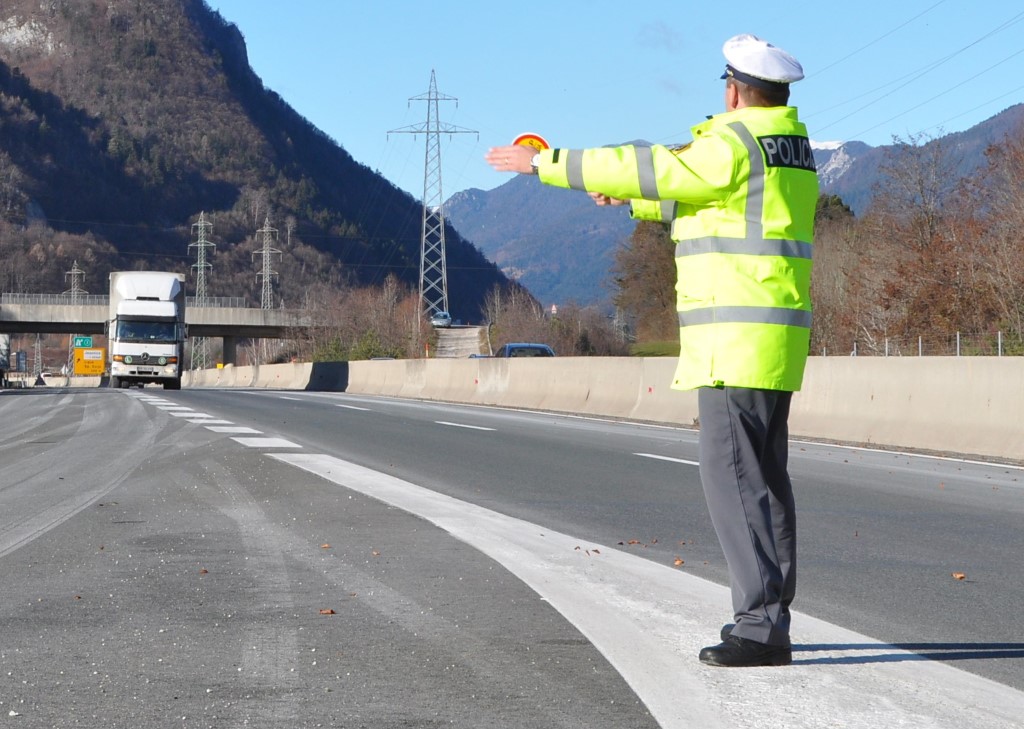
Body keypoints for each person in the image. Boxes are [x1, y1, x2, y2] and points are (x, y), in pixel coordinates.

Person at [485, 34, 818, 668]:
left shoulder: (734, 142)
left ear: (734, 91)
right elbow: (713, 202)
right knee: (767, 484)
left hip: (731, 343)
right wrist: (636, 200)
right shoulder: (788, 149)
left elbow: (657, 165)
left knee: (735, 482)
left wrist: (544, 163)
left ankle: (758, 627)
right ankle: (771, 619)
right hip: (773, 341)